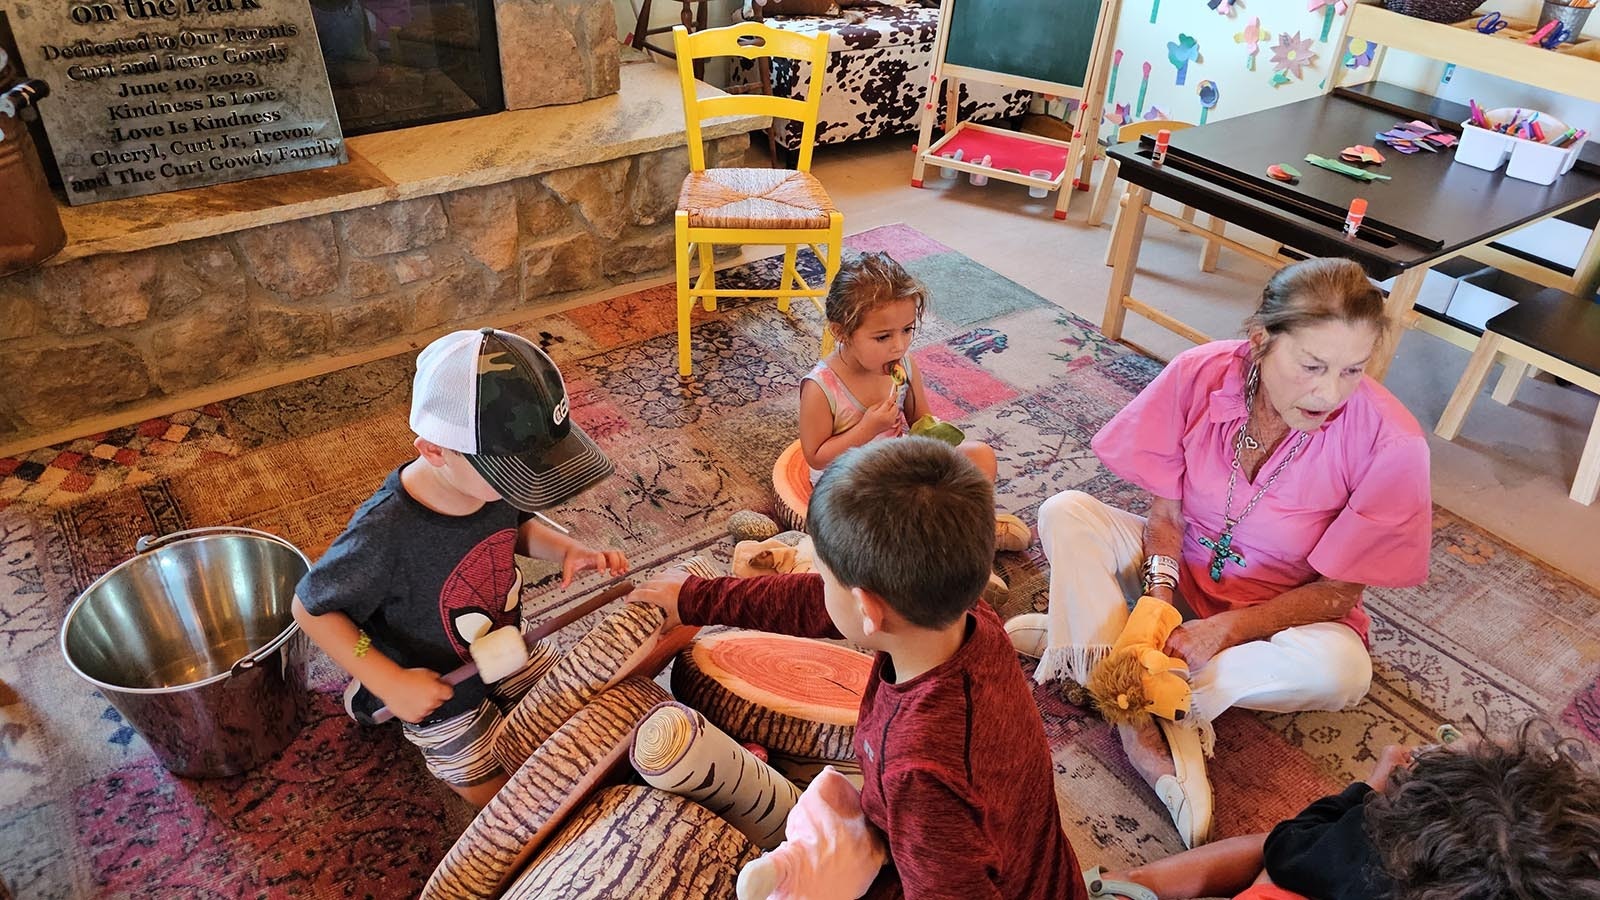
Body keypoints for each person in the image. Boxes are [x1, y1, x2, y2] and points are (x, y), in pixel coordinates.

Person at [1007, 258, 1432, 847]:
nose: (1330, 392)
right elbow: (1166, 514)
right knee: (1066, 512)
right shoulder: (1198, 373)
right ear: (1260, 340)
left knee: (1343, 671)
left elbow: (1339, 592)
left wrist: (1223, 630)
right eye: (1312, 366)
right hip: (1177, 573)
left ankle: (1118, 666)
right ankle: (1140, 716)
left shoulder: (1393, 441)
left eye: (1352, 370)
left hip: (1275, 616)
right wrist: (1157, 602)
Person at [630, 438, 1089, 899]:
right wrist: (696, 598)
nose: (819, 587)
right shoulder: (965, 615)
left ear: (867, 608)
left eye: (828, 577)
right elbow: (817, 605)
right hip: (973, 851)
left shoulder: (922, 770)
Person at [292, 328, 626, 808]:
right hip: (432, 682)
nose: (524, 488)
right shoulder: (383, 530)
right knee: (497, 795)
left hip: (505, 643)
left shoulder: (490, 486)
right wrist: (389, 680)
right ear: (434, 451)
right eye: (516, 472)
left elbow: (518, 524)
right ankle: (367, 693)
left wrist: (564, 549)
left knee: (584, 703)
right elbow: (312, 609)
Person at [1083, 719, 1600, 900]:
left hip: (1289, 881)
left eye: (1443, 744)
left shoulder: (1356, 850)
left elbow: (1291, 843)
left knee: (1273, 852)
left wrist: (1364, 793)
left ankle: (1134, 884)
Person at [799, 251, 1029, 552]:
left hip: (898, 468)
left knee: (980, 456)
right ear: (841, 332)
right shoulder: (821, 387)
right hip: (852, 483)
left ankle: (972, 534)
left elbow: (921, 424)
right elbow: (816, 456)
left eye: (907, 330)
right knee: (897, 512)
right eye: (882, 337)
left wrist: (935, 442)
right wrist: (867, 428)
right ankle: (953, 547)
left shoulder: (904, 365)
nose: (899, 345)